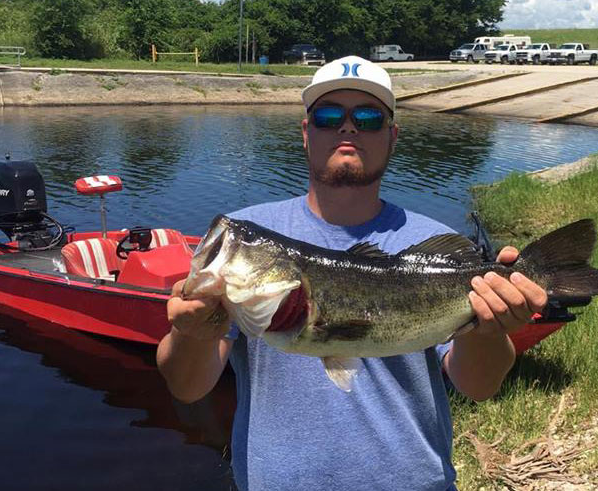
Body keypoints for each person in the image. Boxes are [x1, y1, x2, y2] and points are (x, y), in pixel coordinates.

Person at [157, 55, 547, 491]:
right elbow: (187, 388)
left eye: (367, 117)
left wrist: (489, 329)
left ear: (392, 136)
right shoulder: (252, 231)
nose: (348, 128)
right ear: (306, 134)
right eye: (328, 116)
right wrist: (191, 334)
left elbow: (477, 386)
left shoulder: (436, 247)